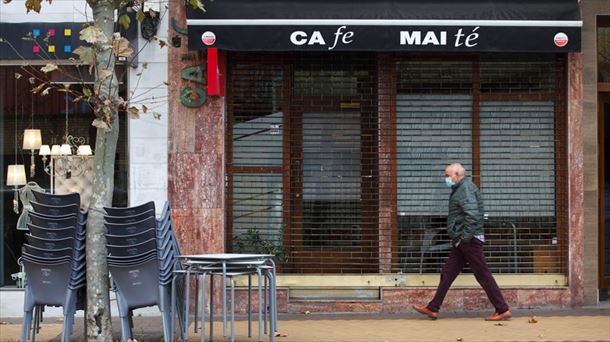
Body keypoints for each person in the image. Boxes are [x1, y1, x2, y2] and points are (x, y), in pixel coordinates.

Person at [413, 163, 512, 321]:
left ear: (457, 174)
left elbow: (472, 216)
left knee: (482, 274)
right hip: (463, 239)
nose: (446, 179)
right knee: (448, 272)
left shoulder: (465, 189)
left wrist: (464, 238)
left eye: (448, 175)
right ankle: (433, 308)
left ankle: (502, 309)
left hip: (468, 239)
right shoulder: (460, 188)